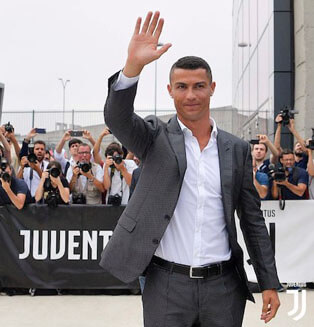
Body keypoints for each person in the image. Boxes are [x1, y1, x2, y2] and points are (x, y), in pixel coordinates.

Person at [100, 11, 280, 327]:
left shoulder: (236, 149)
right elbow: (117, 118)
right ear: (170, 91)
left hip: (223, 287)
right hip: (166, 285)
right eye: (181, 86)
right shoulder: (154, 138)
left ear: (212, 87)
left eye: (199, 86)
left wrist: (268, 281)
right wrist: (133, 68)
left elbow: (251, 219)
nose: (191, 95)